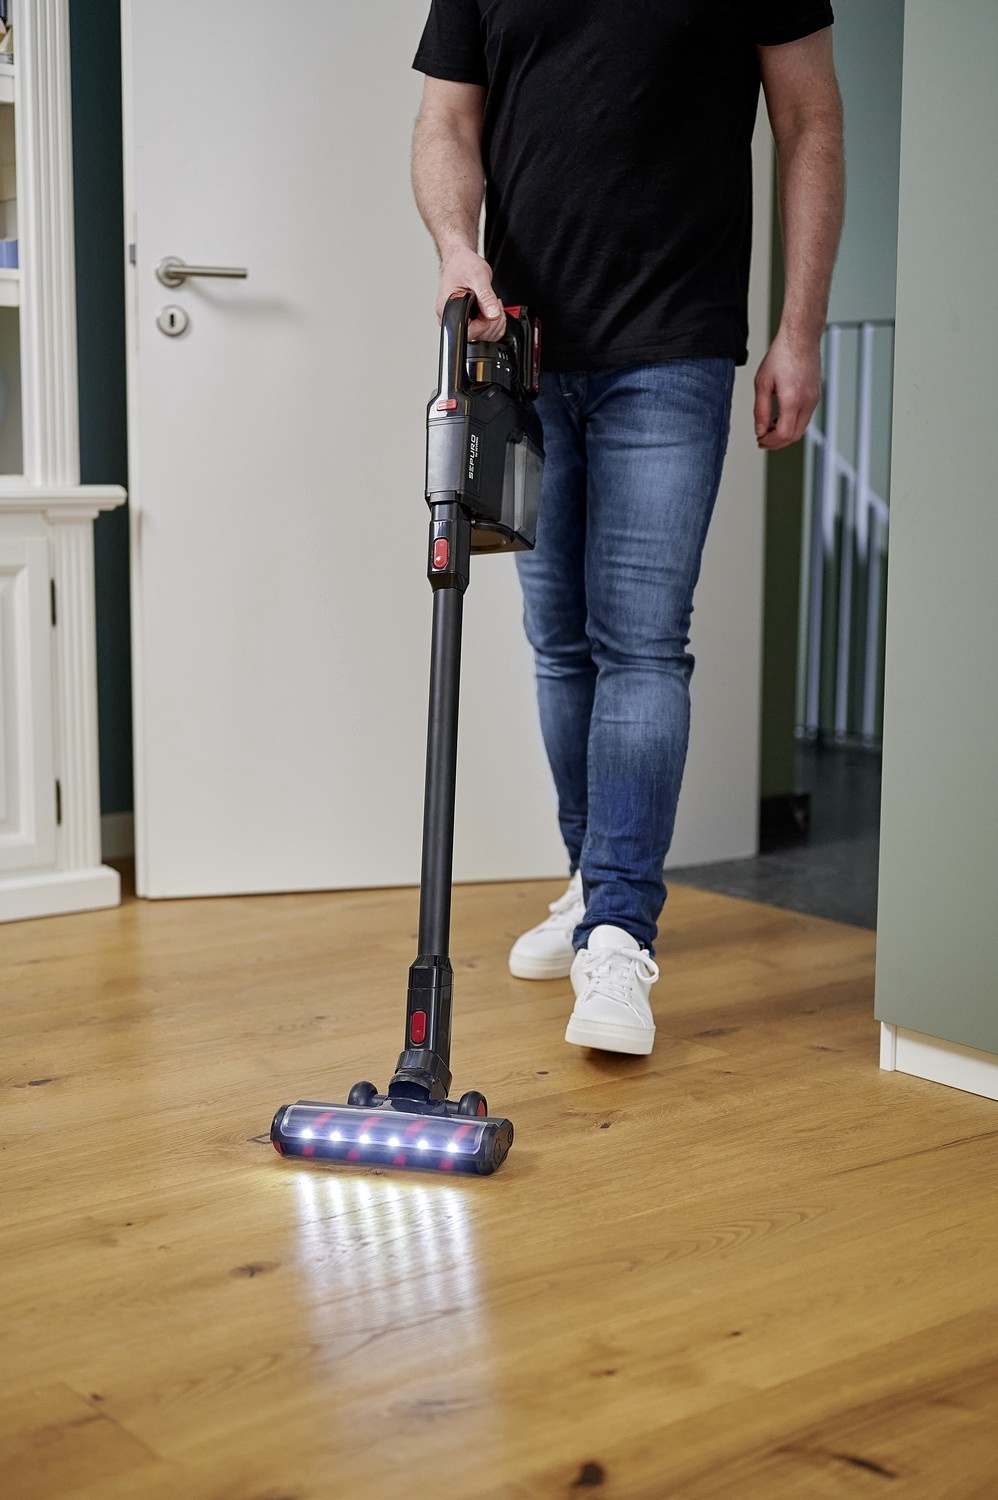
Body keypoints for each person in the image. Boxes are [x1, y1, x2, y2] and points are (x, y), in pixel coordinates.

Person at [412, 2, 844, 1057]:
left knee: (642, 642)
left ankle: (617, 932)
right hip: (520, 346)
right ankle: (591, 878)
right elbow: (446, 121)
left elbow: (809, 120)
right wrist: (457, 247)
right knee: (558, 640)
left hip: (672, 341)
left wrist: (799, 331)